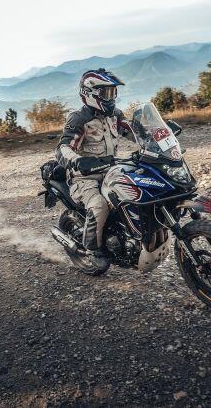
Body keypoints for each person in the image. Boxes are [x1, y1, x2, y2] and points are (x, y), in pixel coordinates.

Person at [56, 68, 131, 273]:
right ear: (90, 93)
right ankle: (93, 250)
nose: (111, 98)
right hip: (84, 178)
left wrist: (155, 135)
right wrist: (78, 161)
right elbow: (63, 148)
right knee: (99, 204)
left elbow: (133, 131)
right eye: (106, 93)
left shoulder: (115, 115)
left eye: (113, 92)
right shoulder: (79, 118)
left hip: (111, 171)